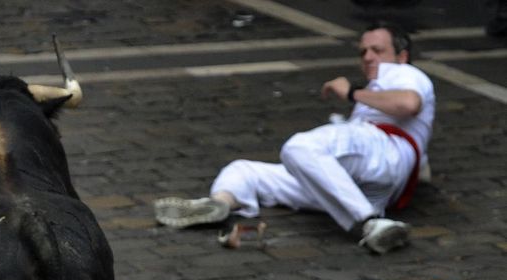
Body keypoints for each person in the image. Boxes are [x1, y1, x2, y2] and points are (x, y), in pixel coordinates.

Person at [154, 23, 435, 254]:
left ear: (402, 56)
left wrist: (351, 92)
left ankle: (369, 223)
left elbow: (409, 104)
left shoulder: (407, 74)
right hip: (364, 188)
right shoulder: (376, 94)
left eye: (377, 50)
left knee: (300, 146)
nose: (368, 57)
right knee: (244, 171)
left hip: (382, 150)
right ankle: (220, 203)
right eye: (363, 52)